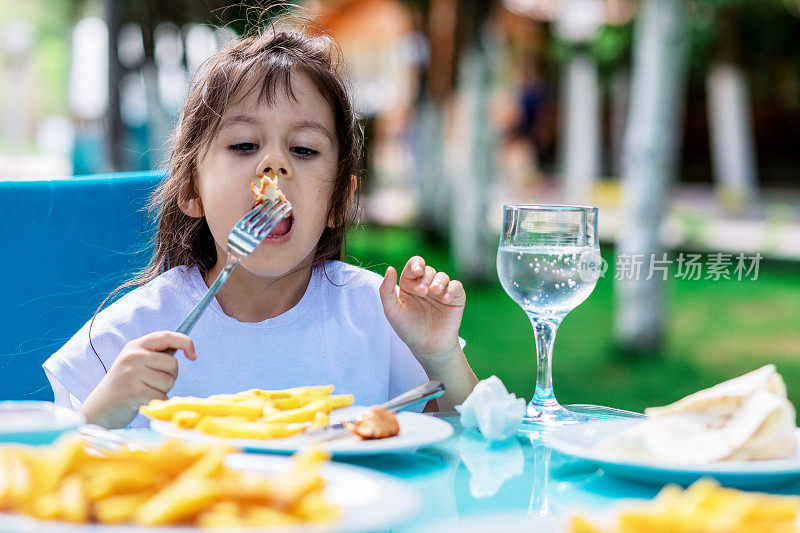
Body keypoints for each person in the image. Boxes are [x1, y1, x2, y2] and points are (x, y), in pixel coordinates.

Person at [43, 20, 478, 429]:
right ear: (192, 191)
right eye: (245, 144)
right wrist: (102, 411)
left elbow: (477, 451)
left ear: (337, 203)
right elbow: (50, 474)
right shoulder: (134, 331)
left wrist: (440, 357)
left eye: (304, 149)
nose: (274, 164)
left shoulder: (379, 321)